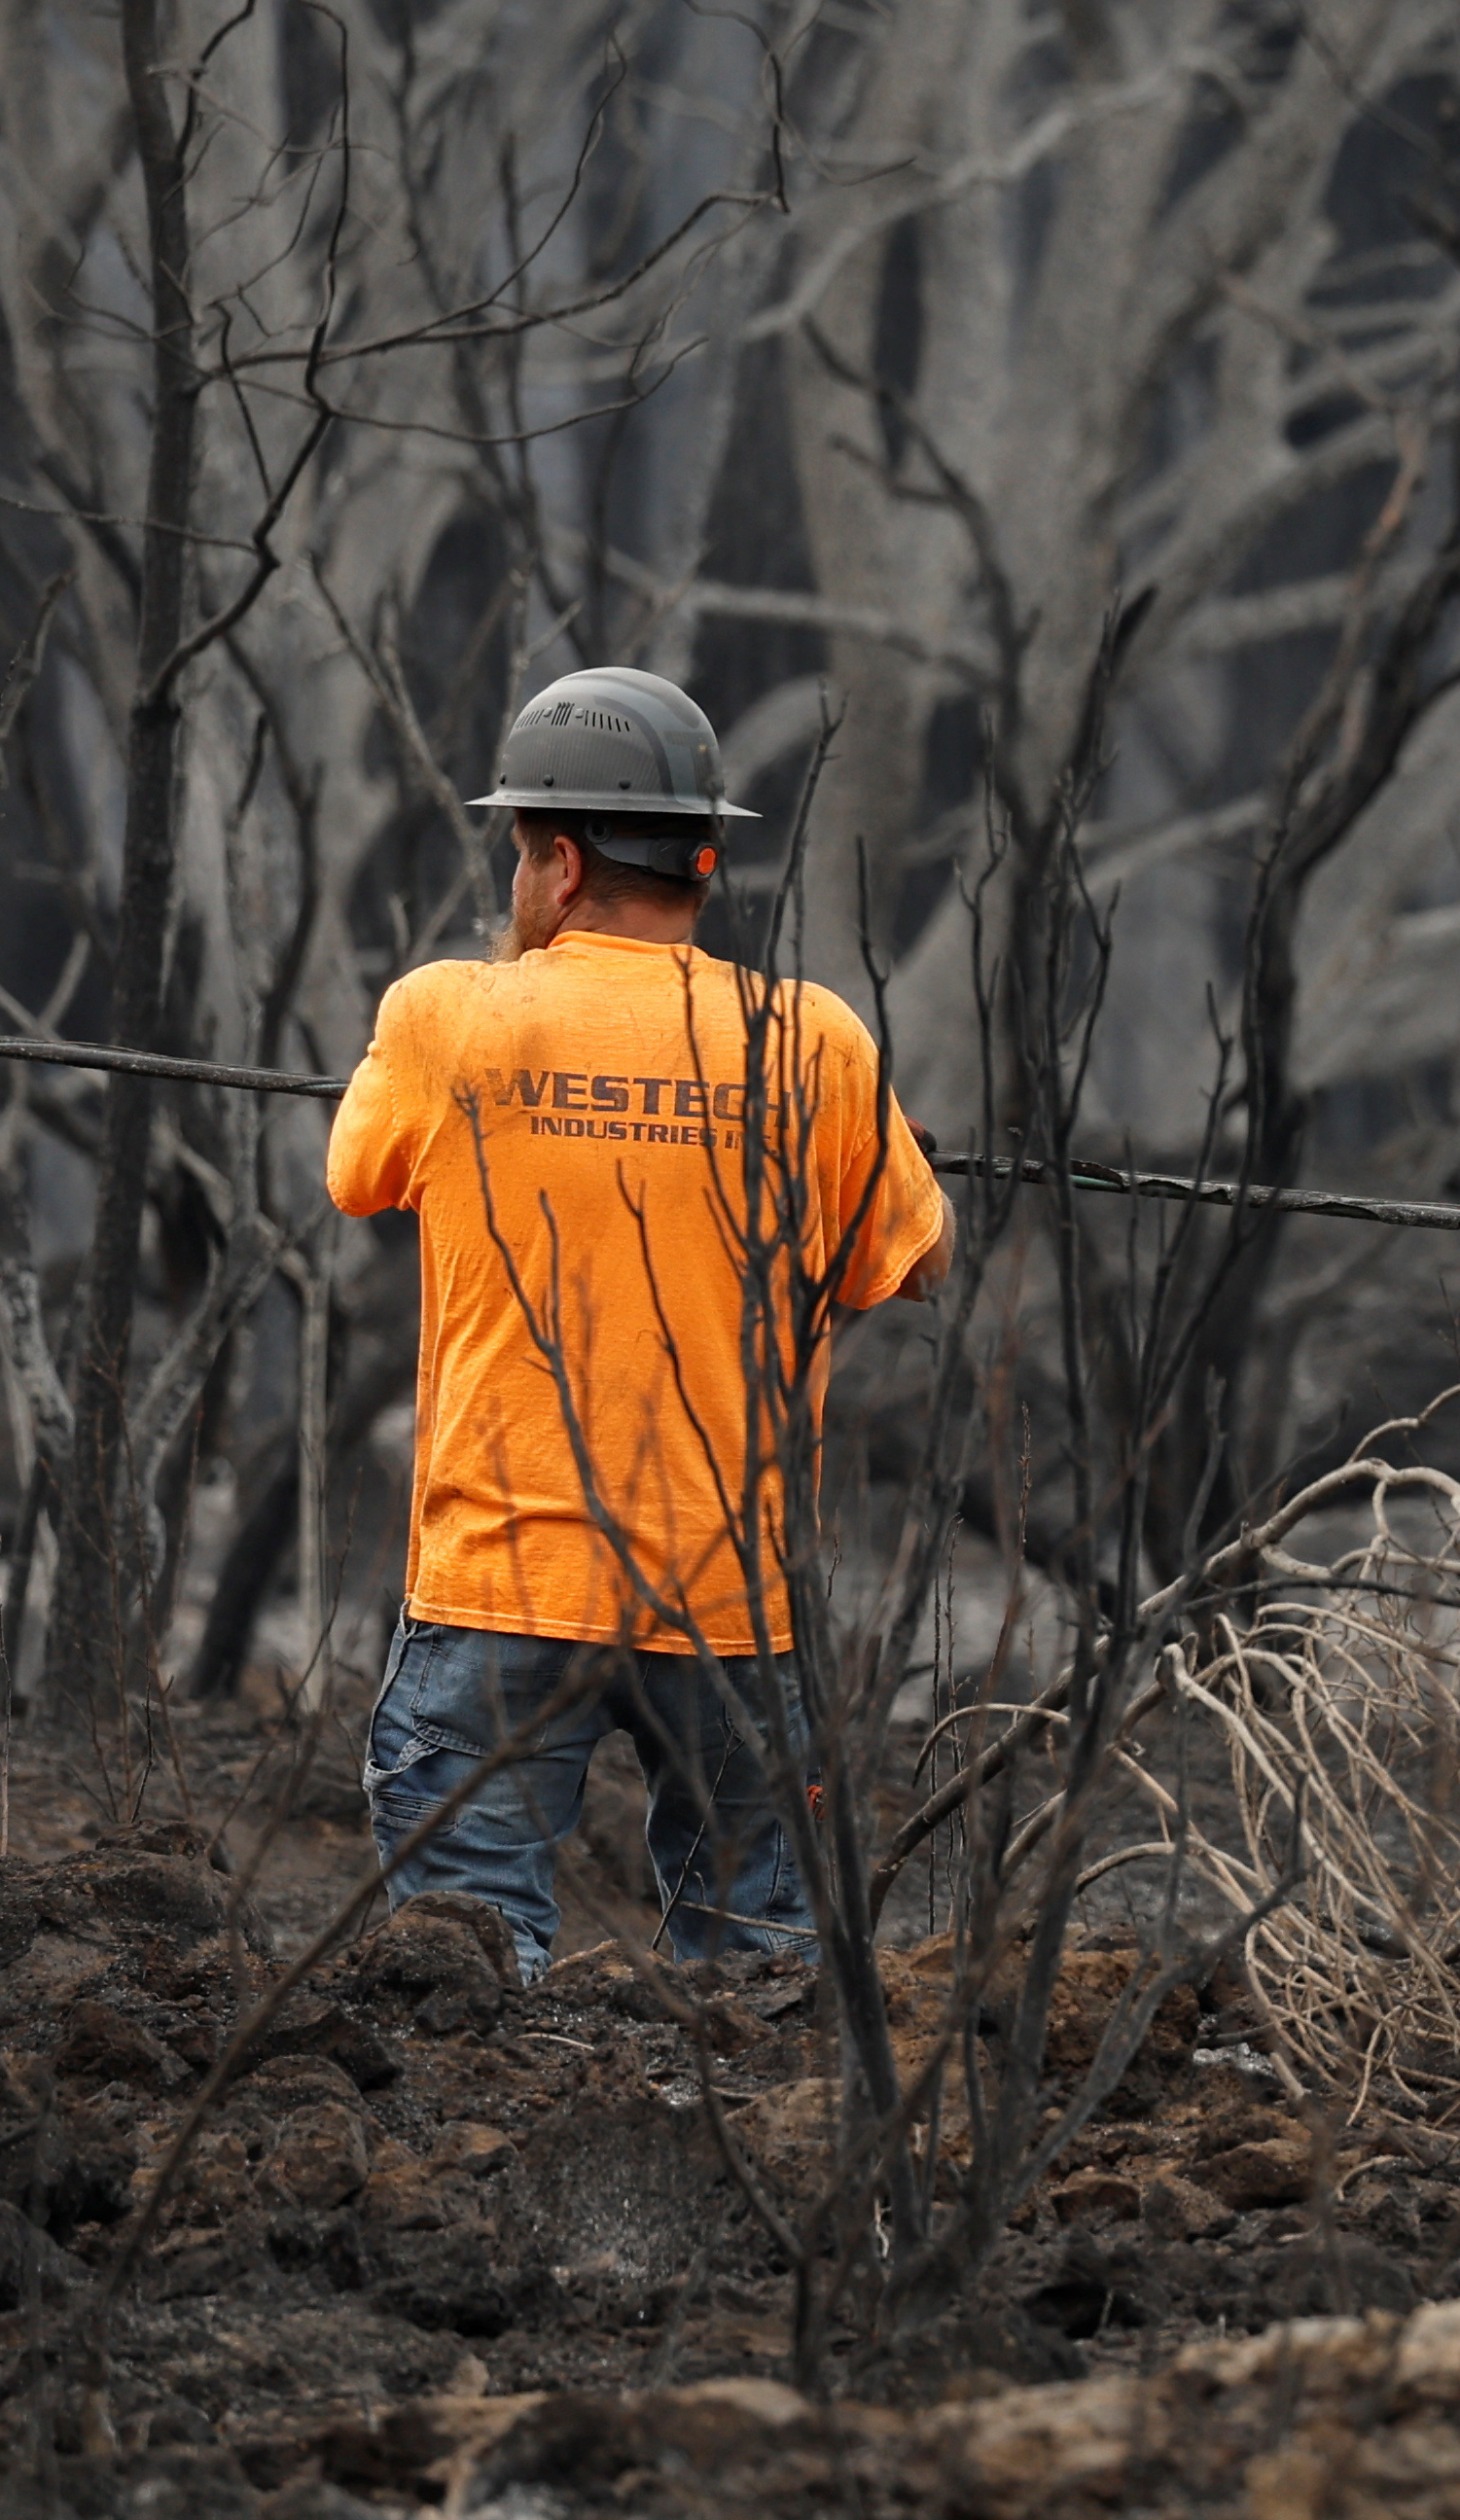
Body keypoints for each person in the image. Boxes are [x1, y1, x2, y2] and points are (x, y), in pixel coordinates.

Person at [326, 667, 953, 1984]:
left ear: (554, 862)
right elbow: (918, 1258)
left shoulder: (449, 1017)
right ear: (702, 862)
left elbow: (358, 1175)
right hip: (734, 1598)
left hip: (503, 1587)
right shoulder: (815, 1044)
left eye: (519, 853)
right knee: (765, 1994)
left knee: (461, 1995)